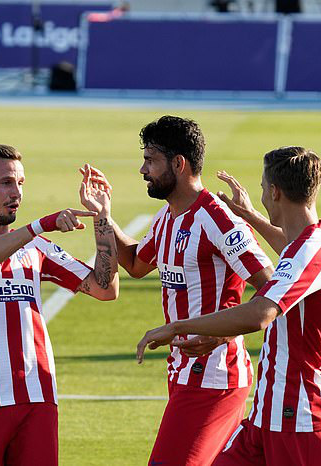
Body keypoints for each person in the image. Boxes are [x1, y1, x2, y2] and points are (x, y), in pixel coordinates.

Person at [137, 146, 321, 465]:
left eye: (262, 187)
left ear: (274, 192)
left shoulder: (312, 250)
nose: (260, 194)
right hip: (265, 417)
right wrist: (249, 215)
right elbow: (291, 247)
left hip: (299, 420)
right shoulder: (316, 243)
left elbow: (261, 313)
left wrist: (179, 326)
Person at [87, 115, 274, 466]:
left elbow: (273, 287)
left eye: (150, 160)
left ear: (178, 163)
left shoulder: (218, 220)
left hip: (214, 375)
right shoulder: (167, 217)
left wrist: (218, 338)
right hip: (183, 371)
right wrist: (103, 216)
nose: (143, 169)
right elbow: (137, 264)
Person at [0, 144, 119, 465]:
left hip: (37, 398)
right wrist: (38, 227)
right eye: (6, 182)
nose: (16, 192)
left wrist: (102, 218)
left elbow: (105, 288)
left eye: (20, 183)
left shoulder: (37, 248)